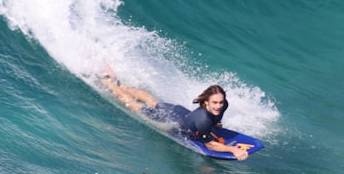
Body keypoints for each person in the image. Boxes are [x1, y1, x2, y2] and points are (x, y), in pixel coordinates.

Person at [100, 69, 250, 161]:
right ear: (206, 103)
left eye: (221, 102)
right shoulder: (203, 119)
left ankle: (121, 85)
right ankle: (109, 83)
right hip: (170, 121)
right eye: (215, 103)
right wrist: (233, 149)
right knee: (135, 106)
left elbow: (217, 117)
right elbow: (209, 144)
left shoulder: (224, 105)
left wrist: (216, 124)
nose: (218, 106)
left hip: (180, 111)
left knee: (153, 101)